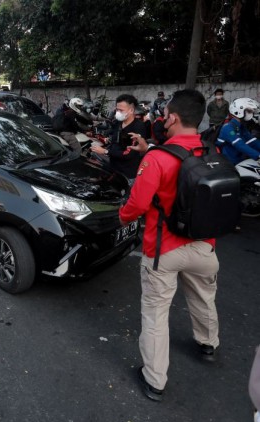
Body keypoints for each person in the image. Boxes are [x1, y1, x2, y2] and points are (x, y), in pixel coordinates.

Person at [119, 89, 220, 403]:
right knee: (204, 297)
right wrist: (150, 147)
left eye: (165, 116)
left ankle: (154, 380)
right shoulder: (212, 151)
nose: (162, 120)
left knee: (155, 314)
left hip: (165, 250)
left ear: (173, 118)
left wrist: (122, 218)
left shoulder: (158, 159)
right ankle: (208, 344)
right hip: (205, 247)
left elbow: (136, 204)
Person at [90, 94, 148, 181]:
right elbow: (114, 138)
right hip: (113, 167)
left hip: (127, 173)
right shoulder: (118, 122)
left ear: (131, 110)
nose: (118, 112)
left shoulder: (138, 127)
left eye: (121, 110)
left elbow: (129, 154)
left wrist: (105, 151)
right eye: (117, 109)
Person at [216, 97, 260, 165]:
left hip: (239, 161)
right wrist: (258, 156)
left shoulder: (241, 127)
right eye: (249, 111)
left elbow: (252, 141)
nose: (251, 114)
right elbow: (239, 145)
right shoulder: (227, 128)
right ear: (238, 111)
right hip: (228, 164)